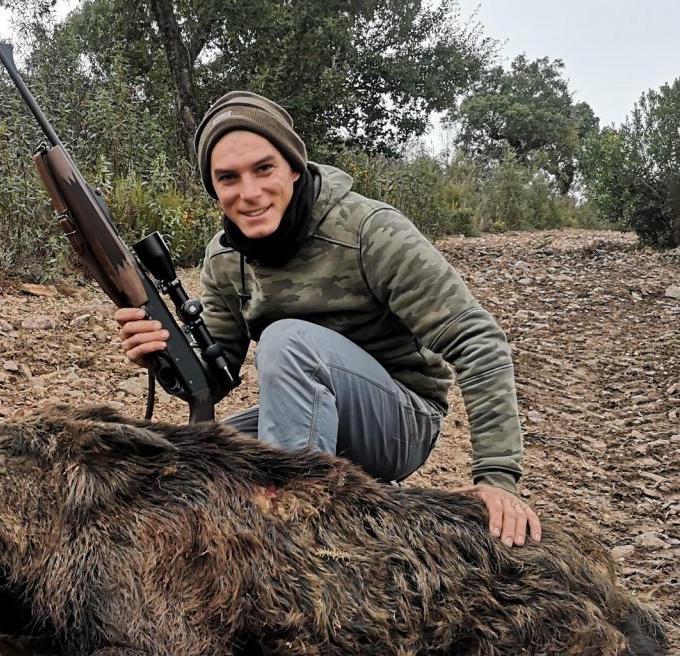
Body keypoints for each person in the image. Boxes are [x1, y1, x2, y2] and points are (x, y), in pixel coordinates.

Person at [116, 91, 541, 548]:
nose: (250, 192)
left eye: (264, 169)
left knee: (286, 342)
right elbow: (215, 377)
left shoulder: (370, 231)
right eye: (228, 178)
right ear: (214, 188)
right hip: (310, 408)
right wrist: (166, 356)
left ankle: (297, 544)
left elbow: (478, 341)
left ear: (294, 167)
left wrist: (497, 478)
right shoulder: (224, 258)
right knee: (188, 461)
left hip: (402, 423)